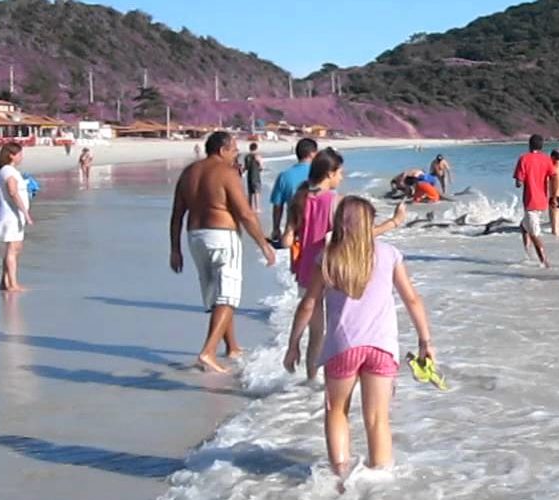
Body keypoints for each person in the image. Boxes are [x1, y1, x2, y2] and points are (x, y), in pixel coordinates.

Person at [282, 196, 436, 483]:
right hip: (382, 347)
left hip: (343, 348)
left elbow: (308, 304)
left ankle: (341, 478)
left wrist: (294, 344)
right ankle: (379, 483)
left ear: (339, 223)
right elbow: (412, 300)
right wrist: (425, 341)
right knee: (377, 419)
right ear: (370, 223)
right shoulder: (389, 253)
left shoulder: (328, 257)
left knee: (336, 411)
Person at [283, 149, 407, 381]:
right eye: (340, 173)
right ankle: (335, 379)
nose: (342, 177)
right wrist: (394, 222)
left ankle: (311, 381)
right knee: (335, 329)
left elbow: (286, 239)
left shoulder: (299, 198)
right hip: (333, 268)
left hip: (305, 272)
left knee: (316, 332)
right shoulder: (335, 202)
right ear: (329, 173)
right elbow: (357, 237)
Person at [169, 131, 276, 373]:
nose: (236, 154)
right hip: (222, 235)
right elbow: (245, 213)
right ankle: (207, 352)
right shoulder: (226, 173)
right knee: (228, 296)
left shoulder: (189, 172)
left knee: (217, 294)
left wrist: (175, 249)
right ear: (222, 150)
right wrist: (263, 244)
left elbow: (176, 215)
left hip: (195, 237)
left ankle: (232, 347)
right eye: (234, 150)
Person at [0, 143, 31, 292]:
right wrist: (25, 213)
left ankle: (5, 282)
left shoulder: (2, 171)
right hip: (12, 215)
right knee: (13, 249)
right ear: (11, 155)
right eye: (20, 154)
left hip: (10, 214)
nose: (22, 157)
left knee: (14, 248)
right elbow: (12, 191)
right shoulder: (8, 171)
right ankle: (13, 284)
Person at [513, 134, 554, 267]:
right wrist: (553, 196)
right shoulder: (547, 159)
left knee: (535, 234)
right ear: (542, 146)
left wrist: (521, 181)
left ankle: (545, 263)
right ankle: (528, 255)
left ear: (529, 145)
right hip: (542, 200)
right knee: (524, 227)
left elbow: (518, 183)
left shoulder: (524, 158)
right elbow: (553, 177)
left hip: (531, 201)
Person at [270, 138, 318, 243]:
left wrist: (276, 228)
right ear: (312, 154)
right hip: (317, 232)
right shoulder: (320, 174)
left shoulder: (284, 176)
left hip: (294, 231)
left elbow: (277, 206)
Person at [243, 143, 263, 213]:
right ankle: (257, 208)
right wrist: (260, 164)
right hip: (256, 176)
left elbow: (246, 167)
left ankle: (250, 207)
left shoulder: (247, 157)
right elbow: (261, 167)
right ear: (256, 148)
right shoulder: (257, 156)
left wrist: (241, 171)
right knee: (256, 192)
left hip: (249, 176)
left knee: (250, 193)